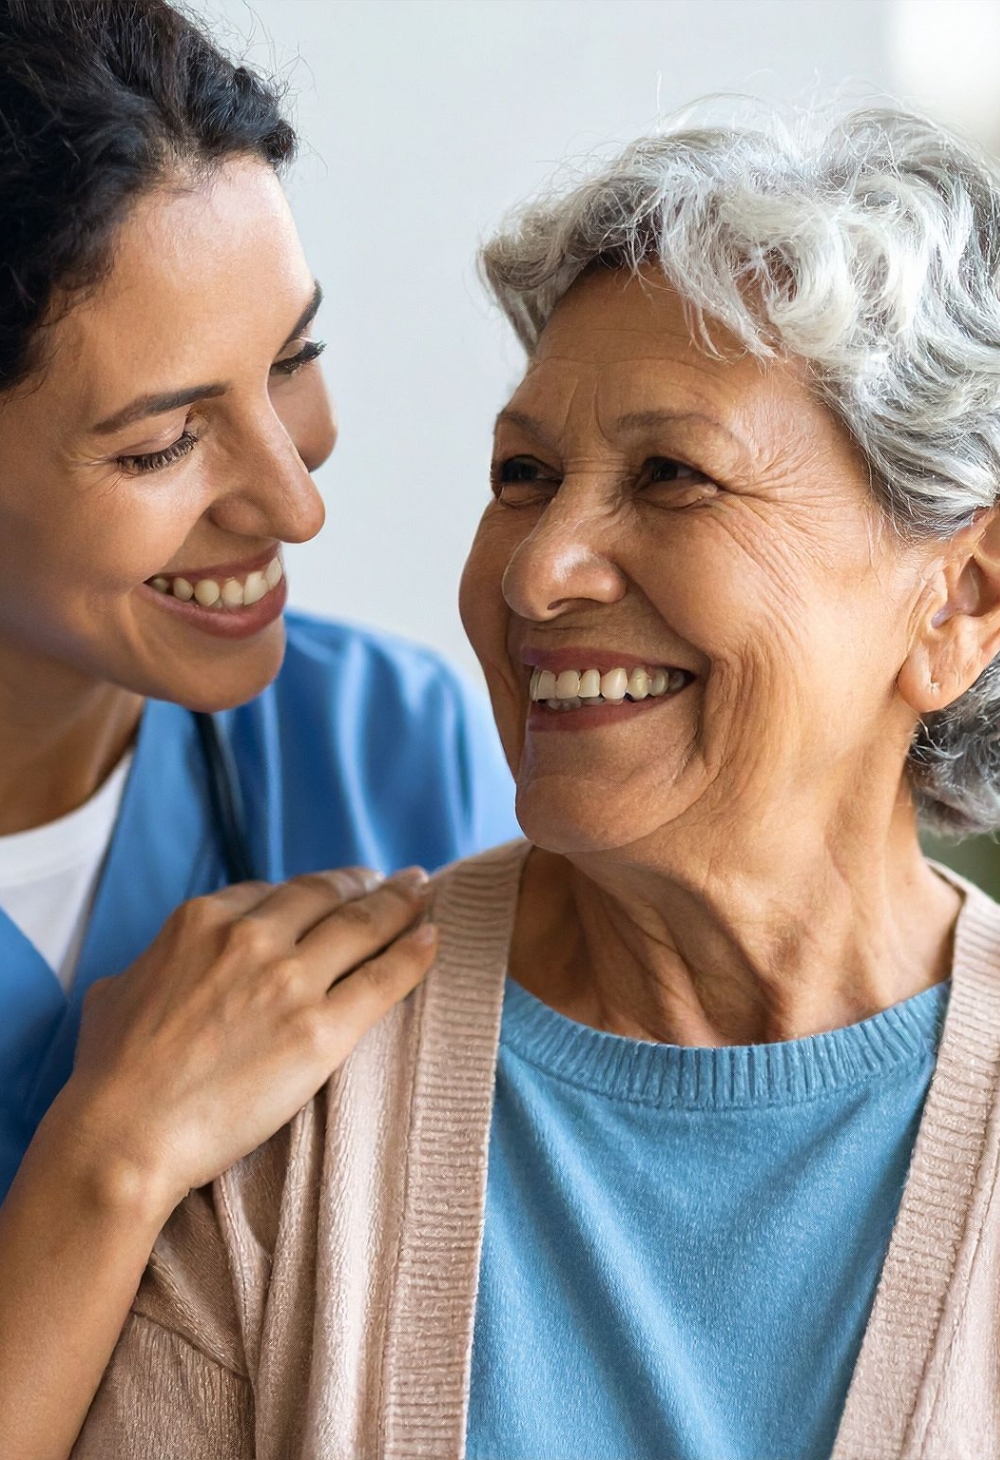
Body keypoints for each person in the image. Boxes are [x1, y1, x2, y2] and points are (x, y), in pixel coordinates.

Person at [72, 103, 1000, 1460]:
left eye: (674, 476)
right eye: (524, 475)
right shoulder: (290, 1103)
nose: (535, 569)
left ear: (958, 605)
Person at [0, 1, 516, 1456]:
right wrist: (114, 1158)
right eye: (165, 441)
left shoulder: (391, 753)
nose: (296, 501)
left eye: (293, 357)